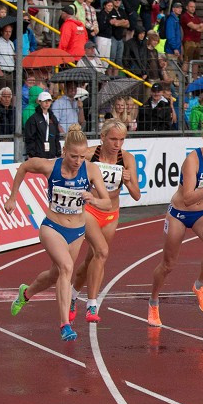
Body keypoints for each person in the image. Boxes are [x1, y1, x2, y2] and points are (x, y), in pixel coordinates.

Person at [5, 125, 111, 341]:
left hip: (77, 230)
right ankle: (65, 324)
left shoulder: (91, 170)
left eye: (82, 156)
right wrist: (12, 196)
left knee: (56, 274)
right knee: (66, 268)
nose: (78, 161)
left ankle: (26, 293)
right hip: (52, 227)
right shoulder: (49, 166)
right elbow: (24, 166)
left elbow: (107, 203)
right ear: (64, 152)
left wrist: (93, 199)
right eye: (73, 156)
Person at [147, 120, 203, 327]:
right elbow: (188, 198)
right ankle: (153, 302)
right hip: (180, 213)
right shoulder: (192, 161)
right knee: (168, 264)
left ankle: (200, 286)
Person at [68, 118, 141, 323]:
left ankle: (72, 297)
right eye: (113, 139)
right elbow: (68, 172)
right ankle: (92, 305)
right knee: (102, 252)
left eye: (121, 140)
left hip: (111, 214)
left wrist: (127, 180)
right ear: (103, 137)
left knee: (93, 259)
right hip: (90, 210)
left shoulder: (127, 159)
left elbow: (136, 195)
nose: (117, 144)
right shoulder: (90, 155)